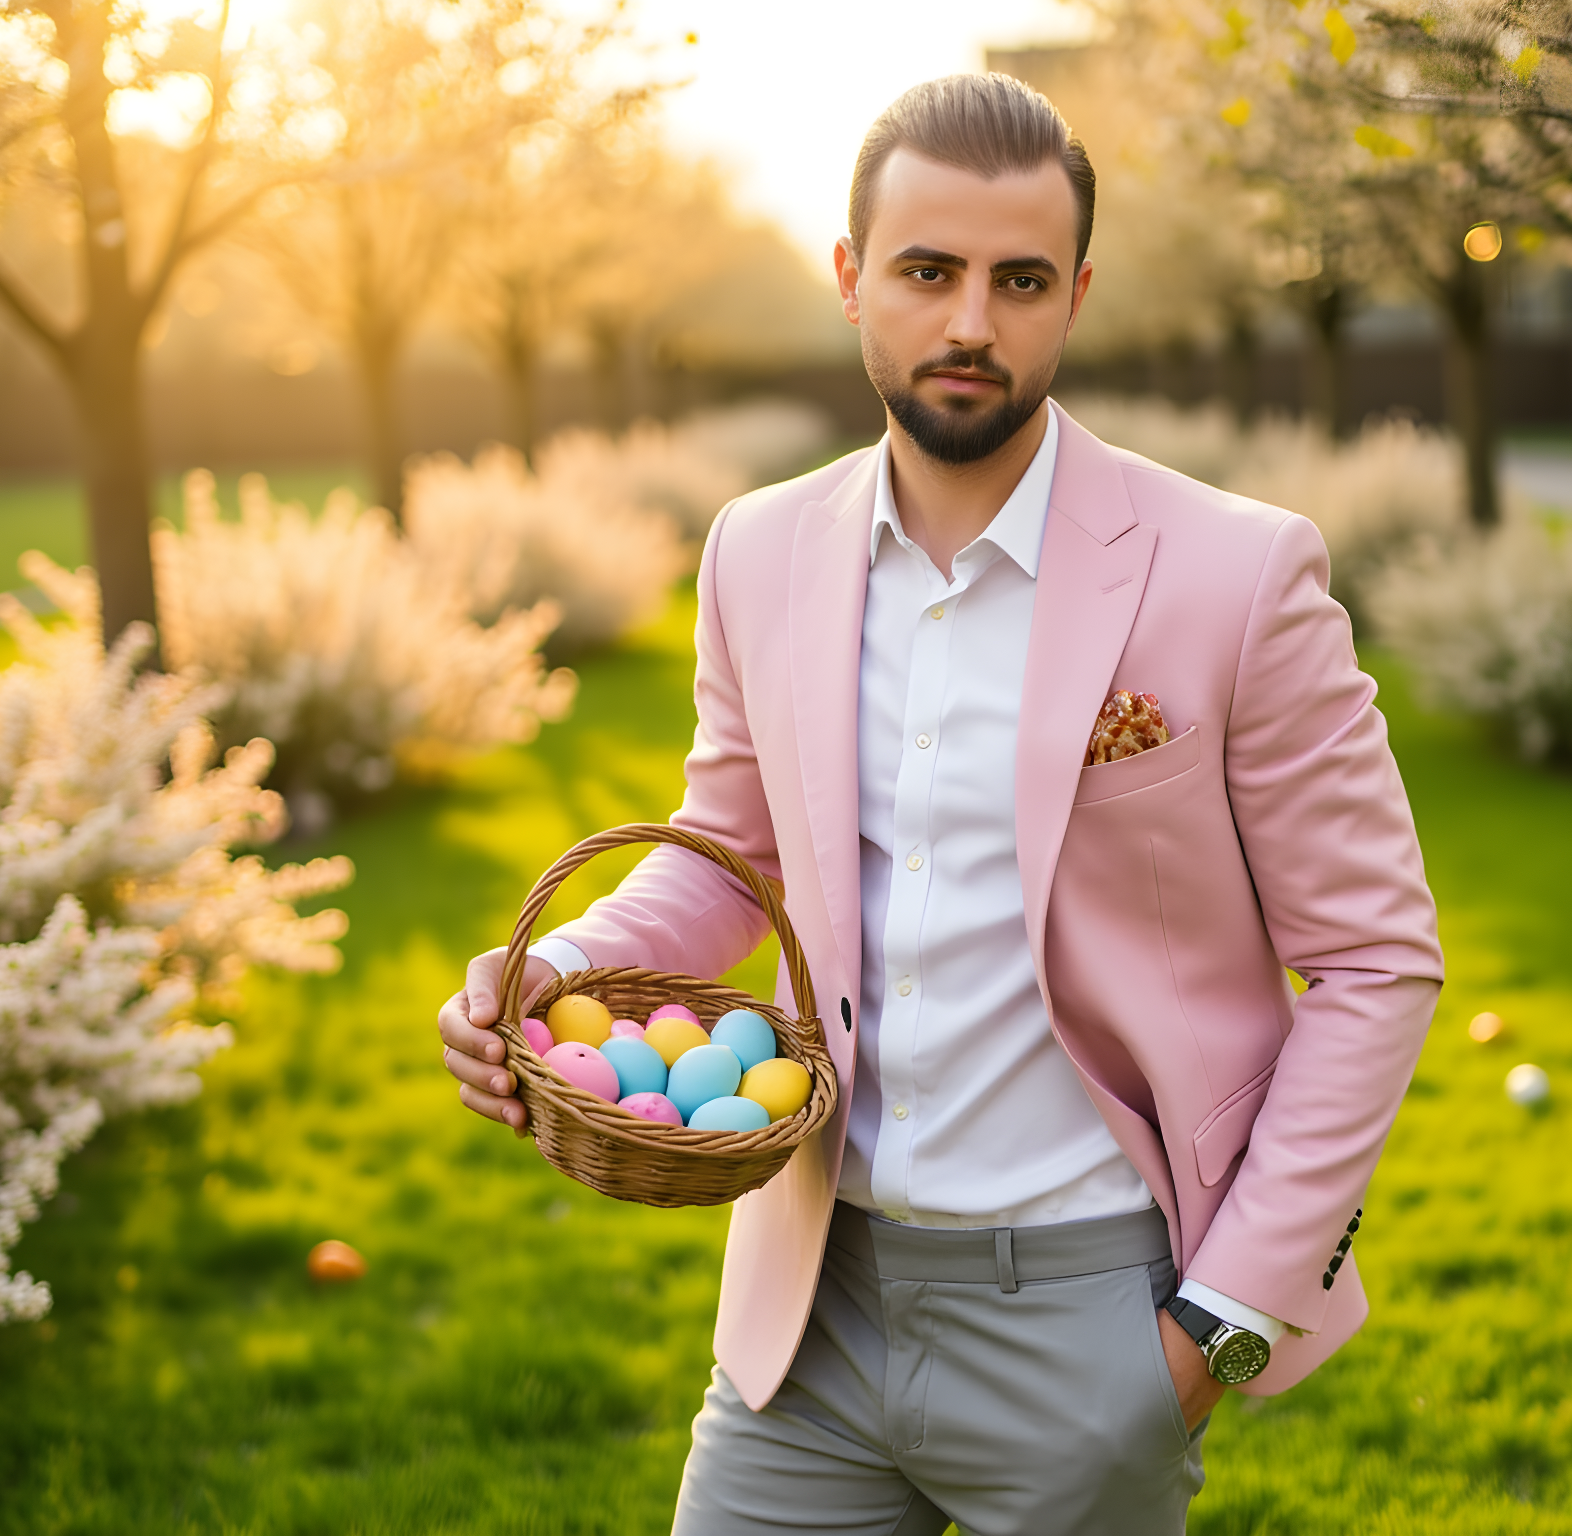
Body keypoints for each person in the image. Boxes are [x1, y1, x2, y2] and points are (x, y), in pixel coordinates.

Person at [438, 72, 1442, 1536]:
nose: (971, 321)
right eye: (927, 271)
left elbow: (1375, 960)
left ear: (1076, 296)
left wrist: (1218, 1327)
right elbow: (731, 857)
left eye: (1019, 280)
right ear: (851, 280)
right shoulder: (760, 548)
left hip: (1095, 1323)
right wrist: (561, 971)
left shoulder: (1240, 574)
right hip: (810, 1311)